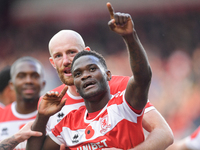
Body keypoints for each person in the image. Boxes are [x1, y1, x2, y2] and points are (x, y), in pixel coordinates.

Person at [33, 2, 173, 150]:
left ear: (86, 52)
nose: (66, 61)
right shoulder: (50, 104)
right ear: (52, 62)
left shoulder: (121, 88)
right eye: (58, 56)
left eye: (72, 52)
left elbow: (164, 134)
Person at [0, 56, 46, 150]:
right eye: (21, 76)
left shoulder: (56, 116)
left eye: (34, 76)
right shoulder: (1, 116)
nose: (28, 81)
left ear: (43, 83)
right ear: (11, 85)